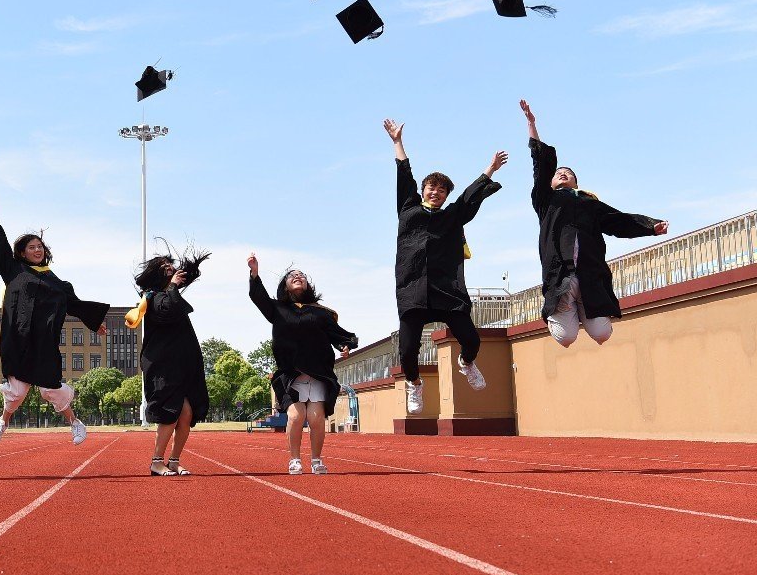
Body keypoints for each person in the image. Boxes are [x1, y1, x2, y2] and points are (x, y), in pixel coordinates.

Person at [384, 118, 507, 415]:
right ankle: (415, 384)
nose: (436, 192)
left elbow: (469, 197)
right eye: (431, 187)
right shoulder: (408, 209)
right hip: (413, 289)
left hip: (446, 289)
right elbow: (404, 175)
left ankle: (466, 363)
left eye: (442, 190)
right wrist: (397, 142)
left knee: (471, 338)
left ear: (446, 195)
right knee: (408, 351)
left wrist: (489, 170)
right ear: (424, 190)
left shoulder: (452, 216)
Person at [520, 100, 668, 346]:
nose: (563, 173)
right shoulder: (546, 201)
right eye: (558, 173)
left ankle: (583, 308)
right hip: (561, 277)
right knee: (566, 338)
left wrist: (650, 226)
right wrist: (532, 125)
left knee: (602, 334)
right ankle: (565, 310)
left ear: (577, 183)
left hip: (590, 275)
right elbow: (540, 165)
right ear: (551, 182)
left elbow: (618, 221)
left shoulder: (590, 203)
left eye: (569, 173)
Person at [0, 193, 108, 446]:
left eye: (40, 246)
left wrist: (95, 323)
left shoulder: (57, 282)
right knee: (17, 391)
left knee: (50, 389)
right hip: (16, 338)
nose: (37, 250)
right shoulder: (13, 270)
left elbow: (75, 305)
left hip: (43, 342)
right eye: (31, 247)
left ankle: (74, 422)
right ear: (22, 252)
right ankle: (3, 421)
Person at [248, 255, 357, 475]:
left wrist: (345, 345)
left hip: (317, 373)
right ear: (285, 286)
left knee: (316, 418)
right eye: (292, 276)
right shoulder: (277, 309)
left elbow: (339, 334)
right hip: (291, 373)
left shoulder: (320, 312)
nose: (298, 277)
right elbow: (259, 298)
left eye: (302, 276)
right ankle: (295, 459)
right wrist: (254, 274)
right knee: (296, 416)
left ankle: (316, 460)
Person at [128, 248, 210, 476]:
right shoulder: (152, 298)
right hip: (163, 366)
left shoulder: (169, 291)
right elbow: (169, 309)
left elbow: (186, 278)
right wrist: (173, 285)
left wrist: (181, 277)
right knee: (169, 413)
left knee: (186, 414)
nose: (170, 269)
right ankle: (156, 461)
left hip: (184, 365)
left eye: (170, 266)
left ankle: (173, 460)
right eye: (165, 267)